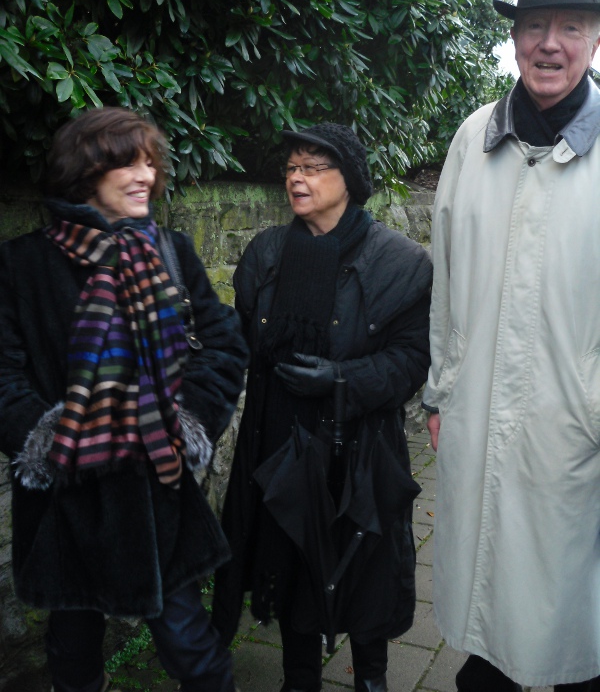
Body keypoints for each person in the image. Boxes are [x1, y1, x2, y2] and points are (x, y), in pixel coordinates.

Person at [0, 107, 249, 692]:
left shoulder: (171, 251)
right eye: (128, 164)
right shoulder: (22, 264)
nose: (146, 176)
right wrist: (49, 437)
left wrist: (187, 421)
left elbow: (224, 344)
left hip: (157, 487)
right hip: (67, 496)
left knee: (193, 648)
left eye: (150, 163)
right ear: (85, 171)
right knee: (72, 651)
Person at [422, 0, 600, 691]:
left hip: (577, 430)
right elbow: (445, 278)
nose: (549, 43)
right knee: (489, 606)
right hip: (475, 413)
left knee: (576, 621)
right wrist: (440, 390)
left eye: (571, 26)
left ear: (595, 38)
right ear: (515, 36)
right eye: (534, 26)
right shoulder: (474, 138)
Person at [211, 122, 432, 692]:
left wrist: (341, 379)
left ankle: (371, 679)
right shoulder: (266, 253)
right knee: (290, 563)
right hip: (281, 445)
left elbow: (411, 359)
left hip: (360, 452)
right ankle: (299, 678)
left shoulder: (401, 263)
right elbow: (242, 340)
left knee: (365, 567)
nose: (296, 178)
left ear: (348, 179)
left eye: (312, 167)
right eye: (291, 167)